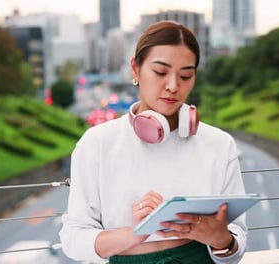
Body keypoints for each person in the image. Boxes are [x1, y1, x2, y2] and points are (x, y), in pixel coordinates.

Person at [59, 20, 248, 264]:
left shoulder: (219, 144)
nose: (173, 86)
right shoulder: (97, 143)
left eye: (185, 76)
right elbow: (73, 239)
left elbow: (236, 241)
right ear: (135, 69)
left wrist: (222, 240)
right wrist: (134, 234)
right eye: (160, 72)